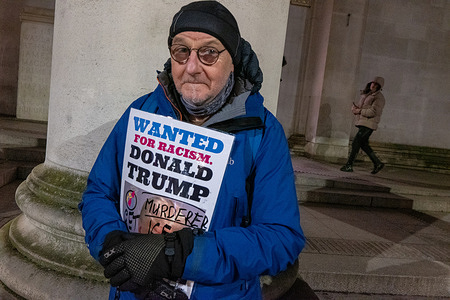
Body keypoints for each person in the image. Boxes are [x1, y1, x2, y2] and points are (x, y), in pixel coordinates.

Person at [79, 1, 305, 299]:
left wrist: (181, 255)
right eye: (181, 51)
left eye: (209, 52)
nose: (193, 67)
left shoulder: (262, 133)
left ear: (233, 60)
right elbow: (98, 193)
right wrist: (109, 242)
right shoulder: (142, 111)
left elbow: (281, 237)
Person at [340, 76, 386, 174]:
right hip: (363, 122)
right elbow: (361, 107)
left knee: (356, 143)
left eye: (376, 84)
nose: (373, 85)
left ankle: (349, 165)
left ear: (379, 86)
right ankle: (377, 163)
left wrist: (359, 111)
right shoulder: (368, 94)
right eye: (372, 83)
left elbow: (373, 111)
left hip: (369, 124)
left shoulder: (379, 97)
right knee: (364, 145)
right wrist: (355, 109)